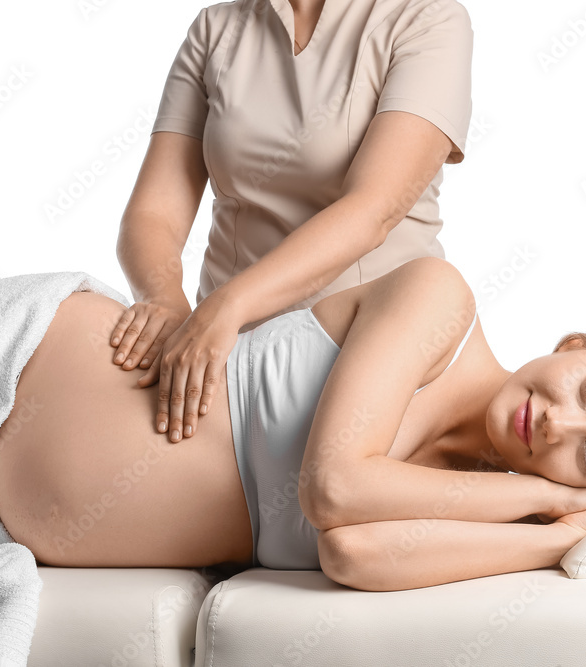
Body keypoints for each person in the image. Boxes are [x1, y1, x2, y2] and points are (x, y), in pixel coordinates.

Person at [0, 257, 586, 592]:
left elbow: (352, 550)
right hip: (0, 370)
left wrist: (560, 540)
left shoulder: (473, 500)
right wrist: (552, 504)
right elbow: (334, 487)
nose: (555, 422)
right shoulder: (439, 304)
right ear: (581, 343)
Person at [113, 0, 475, 445]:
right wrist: (164, 300)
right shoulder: (216, 28)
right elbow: (154, 212)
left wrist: (227, 306)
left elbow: (372, 211)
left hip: (369, 360)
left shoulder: (427, 19)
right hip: (225, 361)